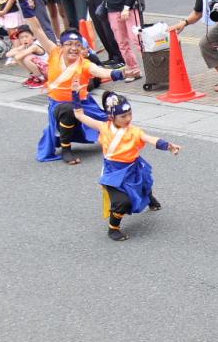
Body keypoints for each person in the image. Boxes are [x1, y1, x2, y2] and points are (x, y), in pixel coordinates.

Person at [72, 88, 181, 240]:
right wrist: (75, 94)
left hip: (132, 168)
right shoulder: (103, 127)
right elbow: (79, 115)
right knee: (122, 202)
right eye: (123, 116)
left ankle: (149, 199)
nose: (128, 118)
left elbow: (150, 139)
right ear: (112, 116)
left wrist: (168, 146)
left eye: (130, 114)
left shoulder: (135, 132)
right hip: (113, 172)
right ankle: (113, 228)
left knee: (145, 184)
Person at [35, 27, 127, 164]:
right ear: (62, 46)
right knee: (68, 109)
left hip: (84, 104)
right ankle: (66, 150)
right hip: (59, 105)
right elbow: (37, 29)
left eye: (78, 45)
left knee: (113, 124)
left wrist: (120, 73)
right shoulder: (54, 53)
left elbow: (101, 72)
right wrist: (26, 12)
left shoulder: (84, 64)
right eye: (69, 44)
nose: (74, 48)